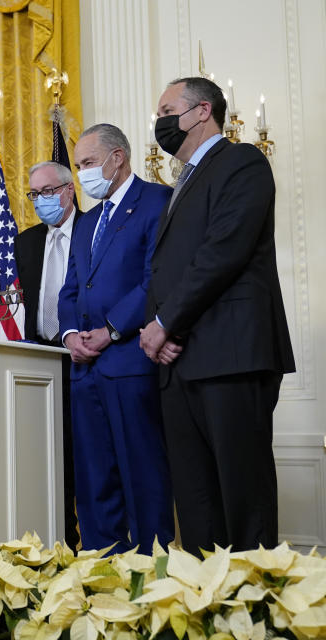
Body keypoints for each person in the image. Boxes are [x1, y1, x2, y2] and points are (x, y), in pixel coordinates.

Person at [140, 77, 295, 554]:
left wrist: (165, 324)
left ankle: (254, 617)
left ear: (202, 110)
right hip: (180, 362)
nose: (160, 121)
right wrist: (162, 330)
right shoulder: (181, 181)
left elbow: (222, 253)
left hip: (230, 355)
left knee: (243, 498)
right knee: (196, 501)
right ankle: (205, 610)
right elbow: (167, 266)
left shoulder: (243, 162)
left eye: (168, 110)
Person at [58, 124, 174, 555]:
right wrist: (71, 334)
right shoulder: (87, 222)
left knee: (141, 472)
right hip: (84, 369)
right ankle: (102, 567)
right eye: (79, 165)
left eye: (88, 164)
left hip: (130, 364)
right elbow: (70, 288)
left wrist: (109, 332)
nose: (83, 174)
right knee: (94, 477)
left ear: (118, 158)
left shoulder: (157, 202)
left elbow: (153, 281)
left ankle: (151, 571)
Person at [15, 160, 80, 548]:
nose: (41, 200)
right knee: (47, 461)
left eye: (49, 192)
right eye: (35, 194)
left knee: (84, 458)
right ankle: (59, 545)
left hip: (85, 356)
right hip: (39, 361)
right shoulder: (26, 241)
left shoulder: (94, 229)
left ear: (70, 190)